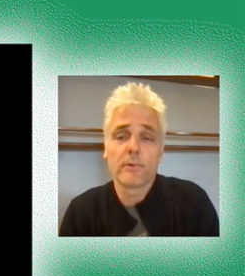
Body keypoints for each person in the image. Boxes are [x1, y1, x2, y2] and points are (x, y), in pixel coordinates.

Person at [59, 82, 219, 236]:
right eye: (121, 136)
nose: (133, 147)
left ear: (160, 151)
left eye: (147, 138)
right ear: (106, 147)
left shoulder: (194, 205)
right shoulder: (80, 214)